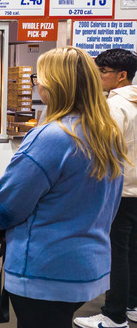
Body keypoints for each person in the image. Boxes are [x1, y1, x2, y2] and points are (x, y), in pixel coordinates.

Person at [0, 47, 126, 328]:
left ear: (53, 84)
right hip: (86, 265)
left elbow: (8, 204)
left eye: (40, 76)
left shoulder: (51, 137)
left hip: (43, 269)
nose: (37, 82)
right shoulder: (106, 134)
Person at [75, 48, 137, 328]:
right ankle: (132, 305)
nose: (98, 76)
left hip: (120, 190)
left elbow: (102, 150)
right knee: (133, 250)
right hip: (135, 189)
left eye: (103, 72)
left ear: (122, 75)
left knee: (117, 252)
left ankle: (114, 315)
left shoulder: (114, 107)